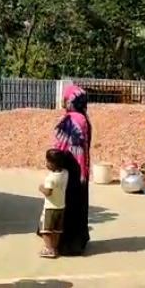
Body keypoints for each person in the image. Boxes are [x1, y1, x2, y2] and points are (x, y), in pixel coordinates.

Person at [53, 84, 91, 256]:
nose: (63, 101)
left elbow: (60, 147)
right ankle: (79, 241)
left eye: (65, 98)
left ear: (71, 101)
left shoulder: (70, 120)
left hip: (69, 167)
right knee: (79, 205)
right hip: (82, 169)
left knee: (67, 205)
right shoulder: (84, 118)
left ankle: (67, 244)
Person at [37, 149, 69, 258]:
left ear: (52, 163)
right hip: (61, 207)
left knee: (45, 230)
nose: (46, 163)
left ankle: (49, 248)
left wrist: (41, 188)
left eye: (47, 161)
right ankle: (55, 247)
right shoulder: (65, 173)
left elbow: (48, 192)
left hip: (50, 208)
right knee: (56, 230)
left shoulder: (50, 179)